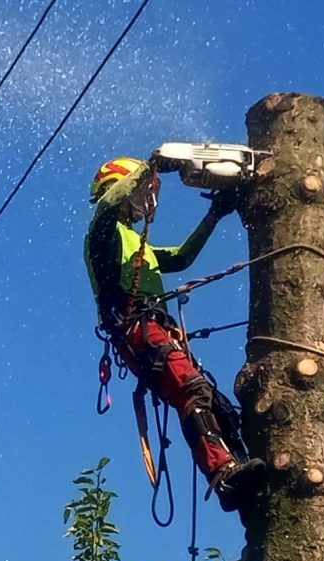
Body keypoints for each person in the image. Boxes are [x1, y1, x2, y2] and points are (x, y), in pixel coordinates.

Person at [83, 156, 266, 519]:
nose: (146, 197)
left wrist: (213, 216)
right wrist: (150, 164)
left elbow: (181, 258)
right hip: (135, 326)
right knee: (190, 391)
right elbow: (108, 205)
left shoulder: (139, 243)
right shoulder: (102, 232)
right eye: (141, 188)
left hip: (156, 328)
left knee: (219, 408)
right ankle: (224, 476)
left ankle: (245, 479)